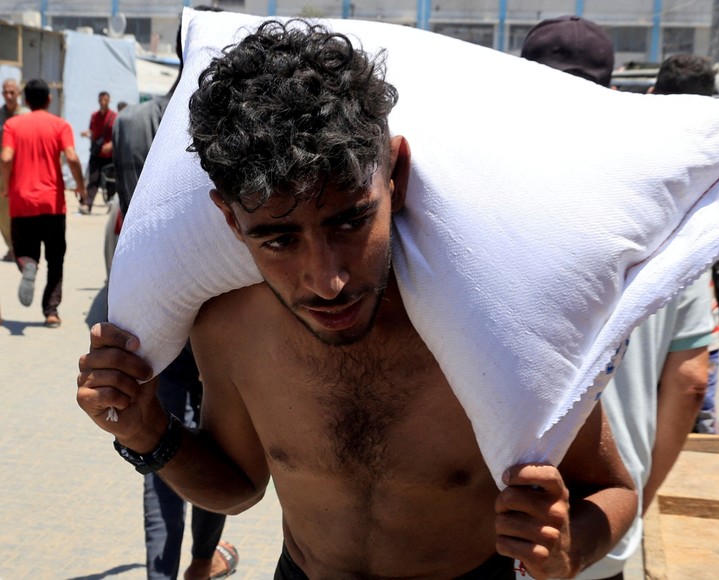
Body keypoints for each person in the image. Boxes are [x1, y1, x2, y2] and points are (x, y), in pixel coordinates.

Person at [77, 20, 637, 579]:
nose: (327, 281)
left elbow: (613, 489)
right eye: (279, 240)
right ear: (229, 217)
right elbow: (238, 487)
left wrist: (570, 547)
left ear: (395, 172)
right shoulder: (230, 326)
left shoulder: (492, 313)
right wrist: (148, 434)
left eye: (351, 221)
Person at [521, 18, 713, 580]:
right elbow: (691, 379)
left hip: (492, 521)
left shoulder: (478, 206)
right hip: (596, 525)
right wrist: (632, 502)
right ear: (611, 95)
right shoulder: (676, 216)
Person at [111, 11, 239, 578]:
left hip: (149, 312)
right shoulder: (232, 124)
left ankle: (161, 571)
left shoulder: (132, 121)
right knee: (221, 445)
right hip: (218, 317)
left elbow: (123, 212)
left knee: (158, 442)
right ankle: (202, 562)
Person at [650, 54, 719, 434]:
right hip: (695, 310)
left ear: (651, 93)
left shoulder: (634, 143)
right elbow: (692, 383)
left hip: (638, 320)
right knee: (690, 421)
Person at [0, 79, 85, 328]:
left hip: (21, 202)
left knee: (24, 252)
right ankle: (51, 312)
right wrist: (80, 185)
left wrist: (5, 186)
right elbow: (71, 156)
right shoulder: (60, 125)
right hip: (52, 203)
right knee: (56, 259)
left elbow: (6, 157)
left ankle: (28, 264)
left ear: (25, 100)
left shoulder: (12, 124)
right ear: (49, 99)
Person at [0, 78, 29, 262]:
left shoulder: (25, 115)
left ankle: (23, 248)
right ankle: (12, 247)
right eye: (5, 92)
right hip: (2, 170)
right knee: (3, 212)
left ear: (18, 94)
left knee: (23, 211)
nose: (9, 96)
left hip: (23, 169)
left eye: (12, 92)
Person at [80, 91, 117, 214]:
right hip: (96, 153)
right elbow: (92, 129)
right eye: (101, 100)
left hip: (109, 155)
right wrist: (87, 133)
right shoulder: (94, 116)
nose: (103, 102)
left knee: (110, 181)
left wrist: (111, 145)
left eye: (105, 100)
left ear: (109, 101)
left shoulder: (114, 116)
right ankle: (87, 204)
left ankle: (111, 206)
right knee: (93, 179)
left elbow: (117, 133)